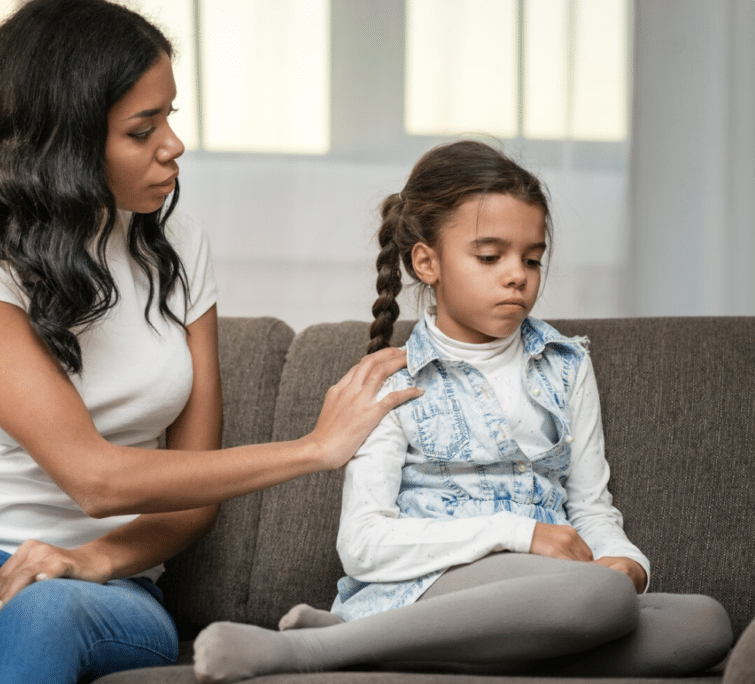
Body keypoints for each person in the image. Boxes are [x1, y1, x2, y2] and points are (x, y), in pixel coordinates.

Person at [0, 1, 421, 683]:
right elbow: (91, 476)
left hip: (111, 587)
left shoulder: (177, 248)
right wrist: (311, 450)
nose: (172, 144)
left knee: (51, 608)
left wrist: (95, 560)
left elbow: (192, 499)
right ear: (62, 142)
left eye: (169, 117)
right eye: (143, 129)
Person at [192, 140, 734, 682]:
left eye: (532, 258)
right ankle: (314, 652)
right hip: (435, 584)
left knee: (701, 622)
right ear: (427, 261)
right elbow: (362, 546)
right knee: (597, 596)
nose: (517, 275)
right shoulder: (392, 380)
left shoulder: (568, 366)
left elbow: (591, 508)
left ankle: (432, 650)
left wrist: (627, 563)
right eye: (490, 256)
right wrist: (520, 534)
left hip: (559, 592)